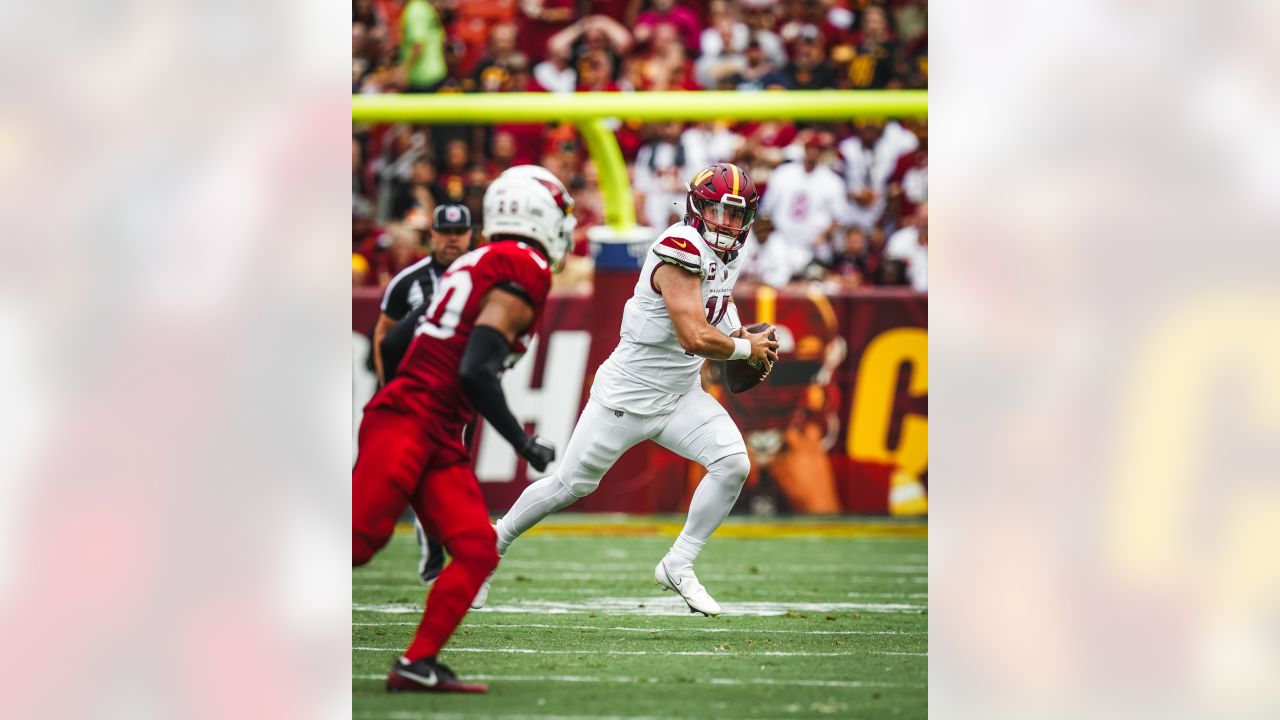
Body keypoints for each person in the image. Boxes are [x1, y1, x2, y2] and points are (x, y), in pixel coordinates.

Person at [475, 163, 779, 617]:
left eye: (737, 216)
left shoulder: (725, 258)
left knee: (732, 463)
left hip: (679, 396)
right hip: (627, 396)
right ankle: (488, 548)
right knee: (569, 485)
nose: (728, 224)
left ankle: (679, 563)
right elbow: (694, 336)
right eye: (720, 212)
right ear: (698, 209)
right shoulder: (680, 247)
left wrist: (743, 341)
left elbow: (719, 315)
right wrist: (744, 348)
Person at [352, 166, 575, 693]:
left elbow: (391, 345)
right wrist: (522, 442)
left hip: (432, 427)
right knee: (357, 543)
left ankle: (417, 664)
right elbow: (476, 367)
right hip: (413, 422)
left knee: (476, 549)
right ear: (539, 214)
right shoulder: (523, 267)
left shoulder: (473, 262)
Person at [371, 203, 475, 586]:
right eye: (445, 232)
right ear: (431, 234)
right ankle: (438, 541)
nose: (452, 239)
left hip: (468, 389)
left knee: (455, 467)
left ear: (470, 233)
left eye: (459, 231)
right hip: (423, 391)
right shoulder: (409, 281)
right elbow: (384, 332)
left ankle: (435, 535)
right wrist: (389, 386)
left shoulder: (485, 272)